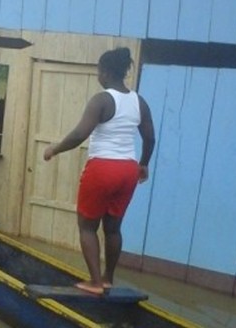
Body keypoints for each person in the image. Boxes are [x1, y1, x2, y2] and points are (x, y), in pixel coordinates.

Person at [43, 48, 155, 295]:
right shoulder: (139, 102)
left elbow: (79, 134)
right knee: (113, 228)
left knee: (87, 227)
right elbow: (150, 138)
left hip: (103, 168)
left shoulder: (102, 100)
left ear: (105, 72)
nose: (98, 76)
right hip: (128, 170)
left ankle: (94, 282)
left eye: (98, 72)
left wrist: (55, 149)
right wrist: (143, 164)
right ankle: (107, 278)